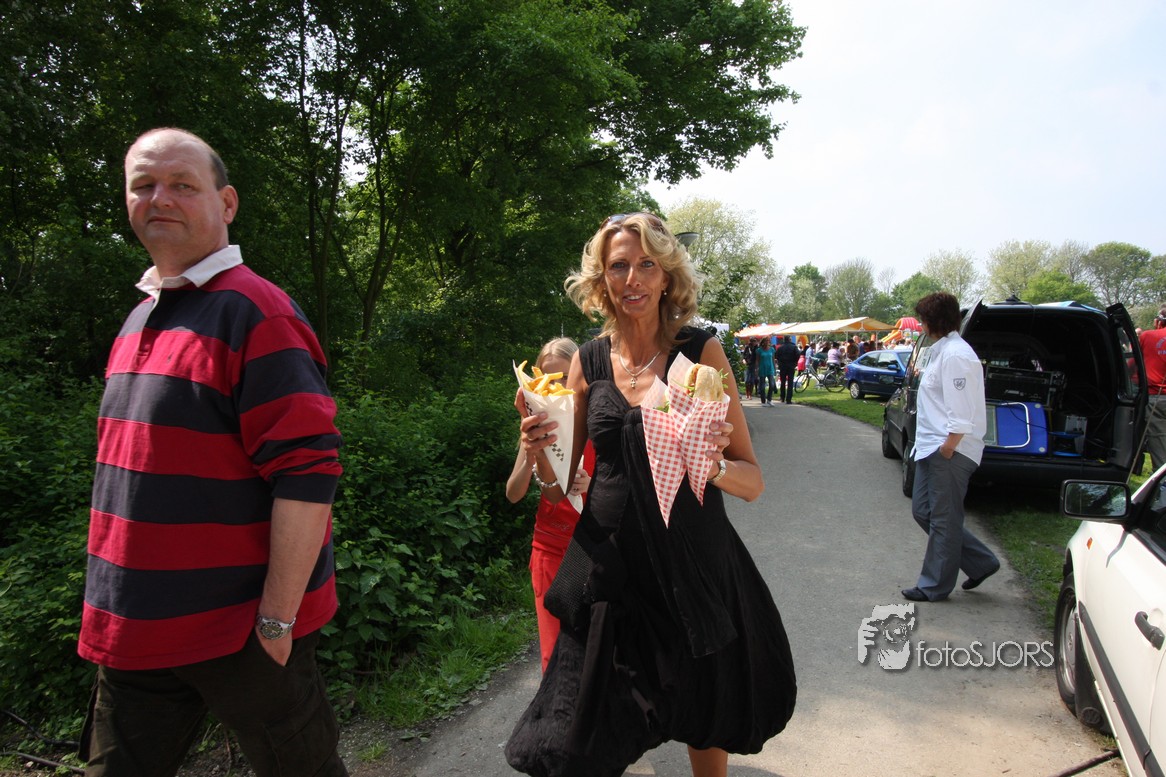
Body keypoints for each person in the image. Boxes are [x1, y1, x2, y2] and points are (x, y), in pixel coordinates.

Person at [77, 128, 348, 776]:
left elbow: (308, 474)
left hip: (238, 633)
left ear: (226, 203)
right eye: (144, 185)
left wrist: (276, 623)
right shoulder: (140, 317)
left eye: (182, 184)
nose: (160, 198)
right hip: (135, 630)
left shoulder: (257, 312)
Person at [505, 212, 795, 777]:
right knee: (576, 728)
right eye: (619, 266)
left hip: (691, 561)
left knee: (704, 705)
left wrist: (708, 462)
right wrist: (538, 448)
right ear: (602, 279)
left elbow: (751, 480)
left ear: (666, 276)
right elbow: (561, 485)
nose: (633, 278)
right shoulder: (588, 361)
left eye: (646, 265)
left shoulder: (701, 353)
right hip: (606, 563)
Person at [902, 292, 1000, 603]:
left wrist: (949, 446)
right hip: (931, 447)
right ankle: (981, 562)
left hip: (949, 449)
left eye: (923, 319)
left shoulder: (957, 355)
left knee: (944, 519)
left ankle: (934, 586)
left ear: (935, 320)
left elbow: (961, 408)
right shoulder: (941, 350)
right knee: (923, 511)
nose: (920, 325)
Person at [506, 338, 596, 671]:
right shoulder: (536, 427)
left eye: (563, 378)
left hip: (591, 550)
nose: (555, 387)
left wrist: (592, 485)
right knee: (554, 657)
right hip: (549, 550)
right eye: (546, 378)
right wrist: (531, 454)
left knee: (593, 655)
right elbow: (513, 493)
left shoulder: (596, 422)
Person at [1139, 306, 1166, 472]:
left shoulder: (1147, 336)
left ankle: (1162, 480)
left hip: (1156, 397)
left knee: (1159, 444)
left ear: (1158, 322)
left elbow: (1133, 365)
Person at [775, 336, 800, 405]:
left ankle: (782, 397)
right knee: (790, 382)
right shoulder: (794, 347)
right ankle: (788, 399)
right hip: (791, 366)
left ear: (784, 340)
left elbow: (776, 356)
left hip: (783, 366)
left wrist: (780, 362)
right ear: (790, 339)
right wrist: (795, 362)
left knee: (782, 382)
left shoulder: (780, 347)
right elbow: (798, 354)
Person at [756, 337, 777, 406]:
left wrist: (775, 368)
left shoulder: (772, 349)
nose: (767, 342)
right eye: (766, 341)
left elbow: (773, 359)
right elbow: (757, 360)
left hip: (770, 368)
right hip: (762, 368)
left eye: (768, 341)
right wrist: (757, 368)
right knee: (762, 386)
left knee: (772, 385)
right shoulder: (759, 350)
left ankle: (769, 399)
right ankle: (763, 401)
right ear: (763, 342)